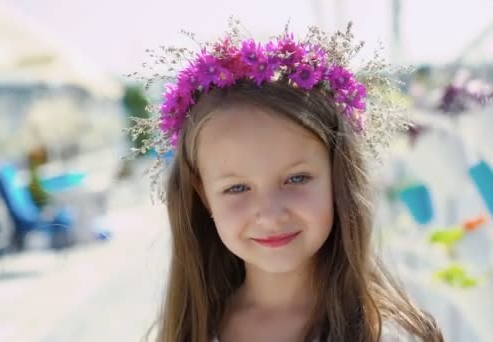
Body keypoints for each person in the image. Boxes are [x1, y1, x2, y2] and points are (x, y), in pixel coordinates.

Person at [131, 21, 443, 342]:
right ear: (204, 195)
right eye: (237, 188)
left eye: (296, 178)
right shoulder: (189, 331)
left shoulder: (388, 335)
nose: (270, 214)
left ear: (339, 175)